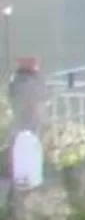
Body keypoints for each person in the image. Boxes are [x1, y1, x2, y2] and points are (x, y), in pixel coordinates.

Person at [7, 57, 44, 192]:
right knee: (26, 146)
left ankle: (26, 178)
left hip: (25, 123)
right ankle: (26, 178)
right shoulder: (24, 81)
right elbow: (35, 100)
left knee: (26, 146)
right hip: (24, 122)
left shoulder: (18, 81)